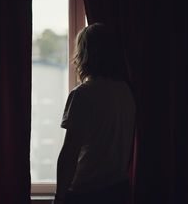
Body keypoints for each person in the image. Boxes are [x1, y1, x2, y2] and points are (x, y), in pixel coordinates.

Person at [54, 23, 136, 204]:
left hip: (88, 193)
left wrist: (59, 197)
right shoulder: (126, 91)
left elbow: (69, 153)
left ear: (84, 55)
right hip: (119, 191)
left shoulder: (82, 94)